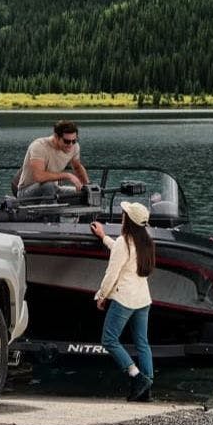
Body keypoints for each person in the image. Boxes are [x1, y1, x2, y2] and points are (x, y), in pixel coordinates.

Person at [90, 201, 156, 401]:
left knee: (109, 340)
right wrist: (104, 238)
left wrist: (101, 296)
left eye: (124, 214)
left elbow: (112, 273)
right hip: (143, 299)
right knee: (142, 343)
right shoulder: (146, 241)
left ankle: (136, 376)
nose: (122, 216)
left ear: (128, 221)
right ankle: (147, 387)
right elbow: (122, 253)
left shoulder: (124, 242)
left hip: (124, 299)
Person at [14, 120, 91, 198]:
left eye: (74, 140)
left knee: (85, 193)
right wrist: (68, 175)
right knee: (48, 185)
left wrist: (88, 186)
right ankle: (52, 209)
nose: (71, 145)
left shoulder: (75, 147)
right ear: (56, 137)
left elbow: (77, 167)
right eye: (66, 141)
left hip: (54, 189)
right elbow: (39, 176)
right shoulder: (39, 146)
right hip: (26, 192)